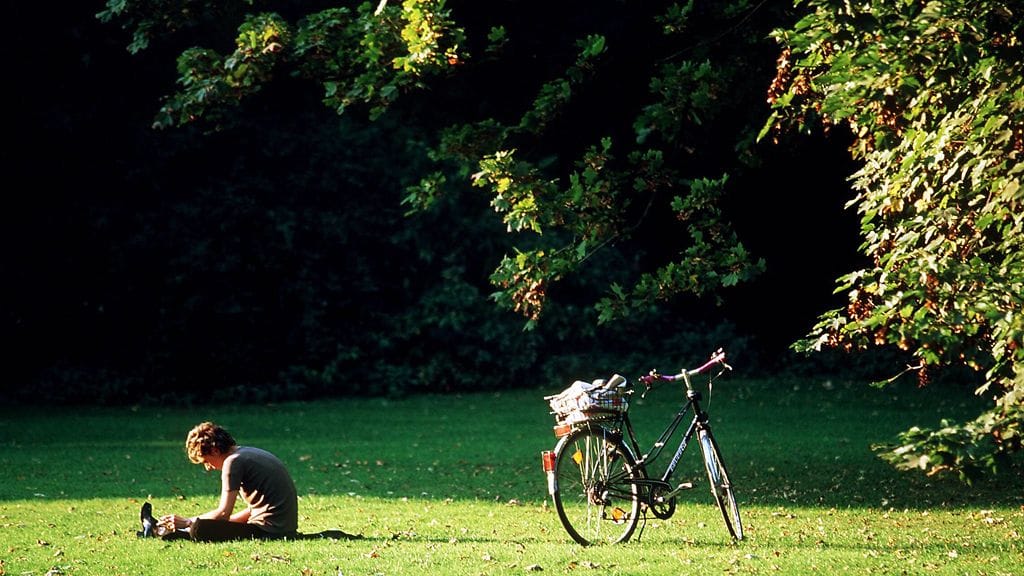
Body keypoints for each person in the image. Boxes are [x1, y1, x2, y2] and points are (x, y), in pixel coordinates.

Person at [146, 421, 300, 541]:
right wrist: (224, 523)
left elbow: (223, 513)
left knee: (199, 528)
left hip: (269, 532)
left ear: (215, 450)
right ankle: (161, 529)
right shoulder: (247, 453)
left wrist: (188, 522)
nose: (208, 468)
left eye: (206, 461)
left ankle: (162, 531)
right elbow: (255, 509)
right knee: (204, 525)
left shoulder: (233, 462)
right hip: (284, 530)